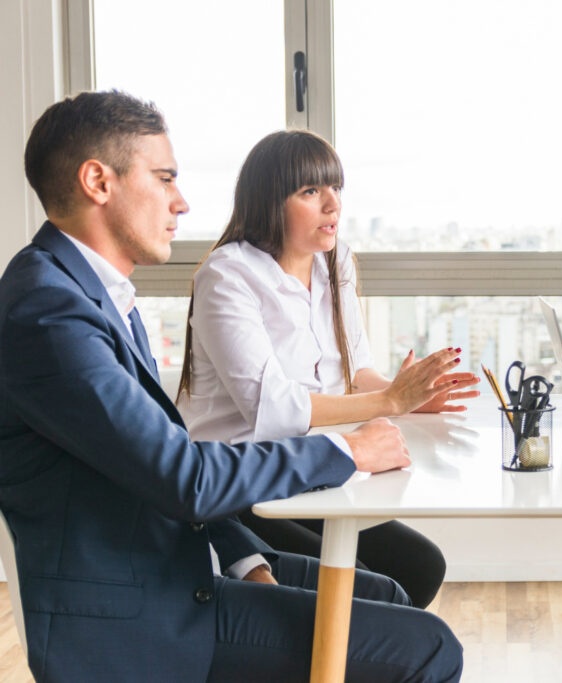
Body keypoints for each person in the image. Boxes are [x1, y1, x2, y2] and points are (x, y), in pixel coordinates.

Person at [0, 90, 462, 682]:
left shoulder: (92, 294)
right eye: (164, 178)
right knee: (430, 648)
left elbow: (157, 460)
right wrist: (347, 450)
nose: (182, 202)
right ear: (98, 181)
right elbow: (184, 476)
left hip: (176, 560)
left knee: (392, 596)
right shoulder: (50, 314)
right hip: (138, 616)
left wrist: (242, 555)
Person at [176, 129, 480, 608]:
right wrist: (389, 401)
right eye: (311, 191)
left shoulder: (333, 263)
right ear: (268, 202)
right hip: (239, 481)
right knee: (375, 589)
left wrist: (409, 395)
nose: (332, 205)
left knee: (420, 566)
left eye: (336, 188)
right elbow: (271, 407)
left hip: (306, 470)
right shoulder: (228, 275)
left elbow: (356, 371)